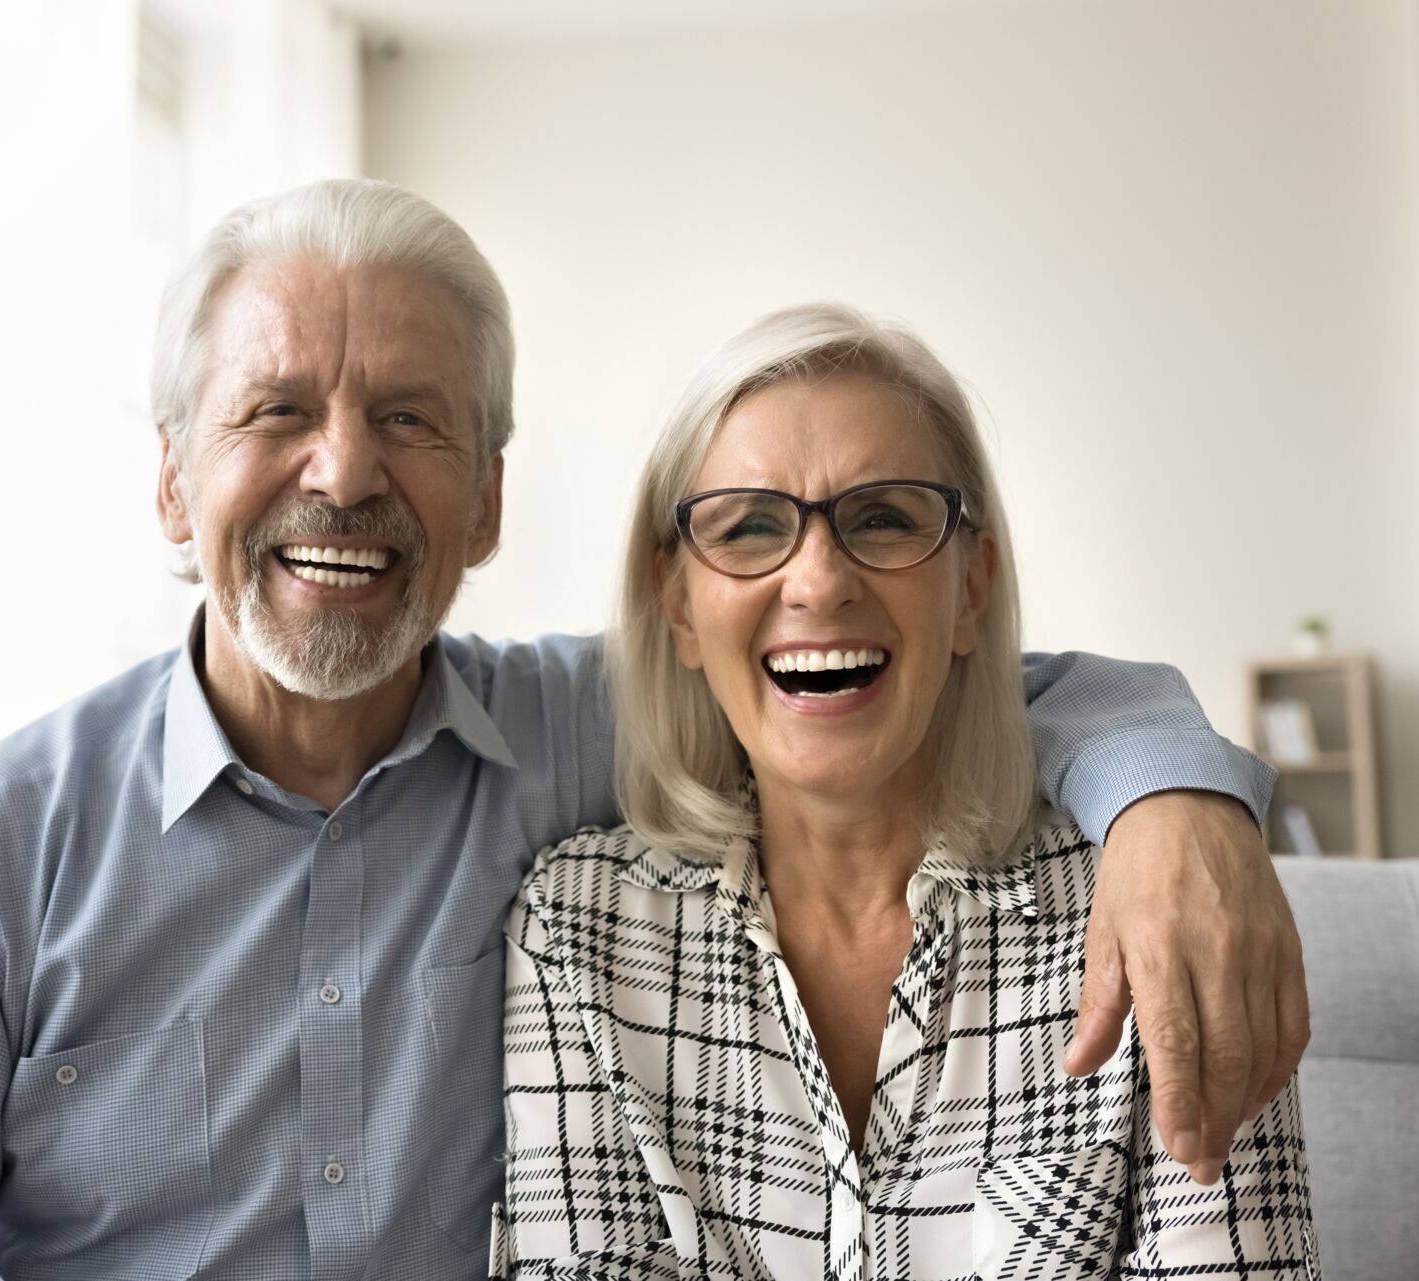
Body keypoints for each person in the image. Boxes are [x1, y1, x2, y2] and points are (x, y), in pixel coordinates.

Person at [0, 182, 1305, 1280]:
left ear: (488, 497)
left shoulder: (599, 724)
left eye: (413, 418)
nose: (344, 474)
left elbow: (908, 666)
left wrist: (1182, 804)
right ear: (172, 480)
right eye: (276, 409)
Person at [496, 303, 1320, 1278]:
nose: (819, 580)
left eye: (883, 518)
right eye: (750, 527)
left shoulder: (1154, 907)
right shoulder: (575, 930)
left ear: (972, 588)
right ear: (678, 605)